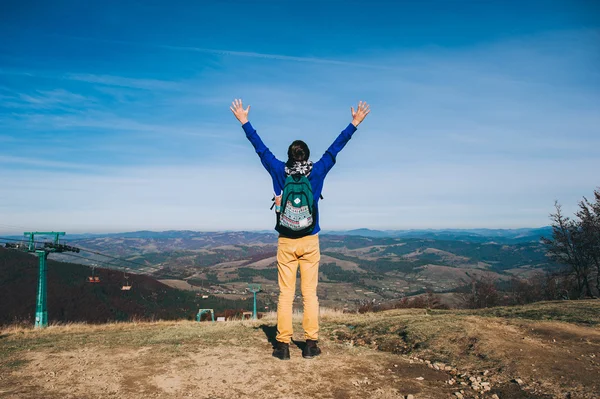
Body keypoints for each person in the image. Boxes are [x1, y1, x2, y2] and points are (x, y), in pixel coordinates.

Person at [230, 99, 370, 360]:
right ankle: (310, 344)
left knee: (285, 295)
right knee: (309, 295)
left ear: (289, 156)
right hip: (310, 241)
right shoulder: (316, 173)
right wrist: (354, 123)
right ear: (306, 156)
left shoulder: (278, 171)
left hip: (285, 241)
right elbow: (334, 150)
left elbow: (260, 149)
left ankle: (282, 346)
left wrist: (244, 122)